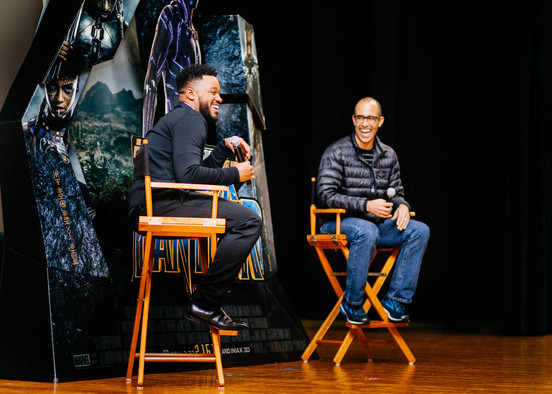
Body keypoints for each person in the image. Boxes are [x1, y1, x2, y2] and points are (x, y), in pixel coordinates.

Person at [128, 64, 262, 331]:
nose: (219, 98)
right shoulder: (191, 119)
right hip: (160, 204)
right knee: (249, 221)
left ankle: (205, 300)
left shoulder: (178, 118)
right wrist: (236, 174)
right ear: (190, 93)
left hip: (156, 202)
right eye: (212, 91)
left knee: (242, 218)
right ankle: (205, 302)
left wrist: (224, 149)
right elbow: (189, 175)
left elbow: (191, 177)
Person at [317, 97, 430, 324]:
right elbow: (325, 196)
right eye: (360, 117)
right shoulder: (336, 152)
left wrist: (403, 207)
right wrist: (366, 205)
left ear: (380, 121)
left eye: (370, 118)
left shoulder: (388, 155)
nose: (364, 124)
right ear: (353, 119)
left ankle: (395, 301)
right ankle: (352, 303)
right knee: (367, 230)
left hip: (376, 227)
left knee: (420, 230)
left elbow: (396, 192)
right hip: (338, 224)